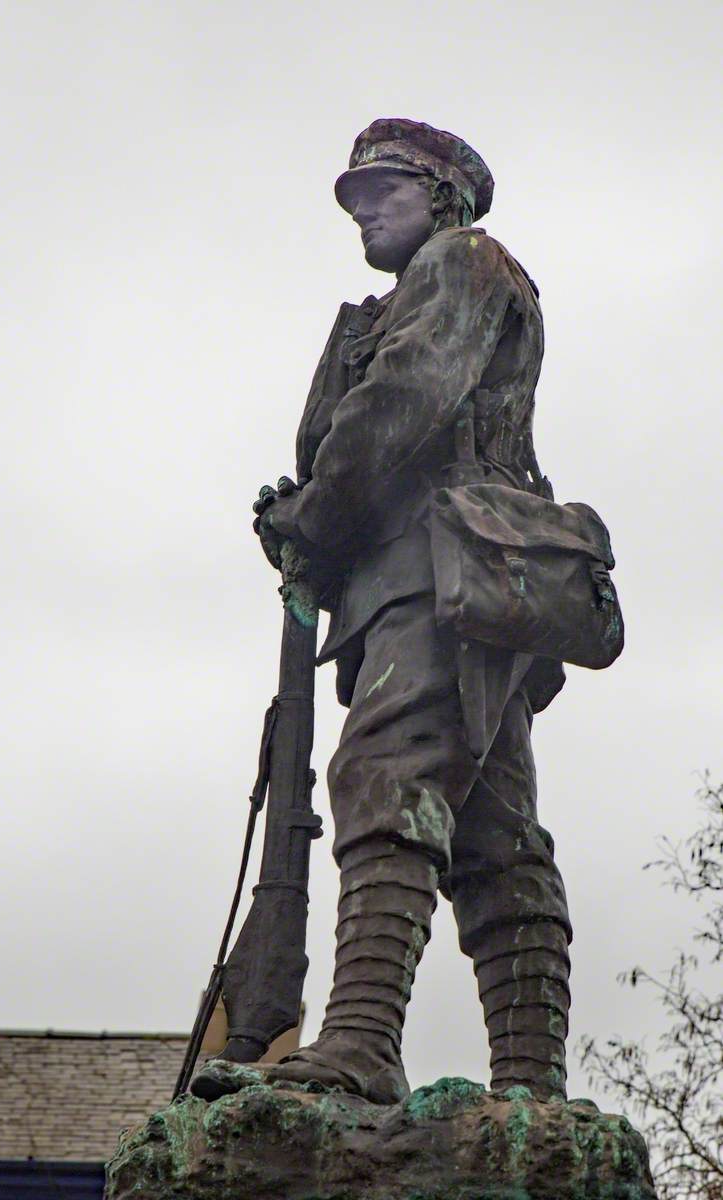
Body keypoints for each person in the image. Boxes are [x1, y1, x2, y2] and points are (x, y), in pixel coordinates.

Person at [196, 118, 573, 1106]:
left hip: (440, 574)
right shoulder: (407, 294)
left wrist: (316, 512)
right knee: (494, 838)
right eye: (354, 196)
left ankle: (360, 1044)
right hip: (435, 585)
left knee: (385, 775)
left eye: (383, 188)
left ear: (442, 191)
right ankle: (529, 1087)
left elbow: (404, 401)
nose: (362, 209)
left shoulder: (461, 262)